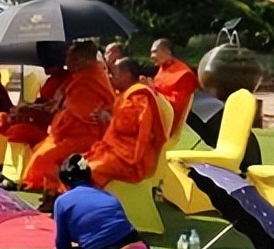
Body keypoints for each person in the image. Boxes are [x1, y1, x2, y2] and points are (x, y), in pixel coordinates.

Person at [52, 154, 201, 249]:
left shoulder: (62, 201)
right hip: (133, 245)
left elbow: (62, 245)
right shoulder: (108, 195)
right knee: (136, 247)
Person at [22, 41, 116, 212]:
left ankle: (56, 195)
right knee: (42, 149)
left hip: (88, 136)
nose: (68, 63)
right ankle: (53, 193)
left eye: (72, 59)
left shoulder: (89, 79)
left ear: (84, 60)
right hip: (74, 132)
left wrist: (59, 121)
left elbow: (82, 113)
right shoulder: (85, 76)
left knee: (45, 156)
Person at [84, 58, 168, 188]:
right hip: (117, 150)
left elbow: (127, 127)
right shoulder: (125, 94)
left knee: (89, 170)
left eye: (114, 73)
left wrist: (108, 118)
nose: (111, 77)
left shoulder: (139, 97)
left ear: (126, 74)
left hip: (132, 159)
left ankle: (91, 204)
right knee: (81, 164)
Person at [150, 38, 199, 136]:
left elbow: (174, 108)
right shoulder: (163, 68)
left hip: (164, 123)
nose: (151, 56)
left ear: (167, 51)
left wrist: (151, 92)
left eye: (154, 52)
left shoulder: (184, 74)